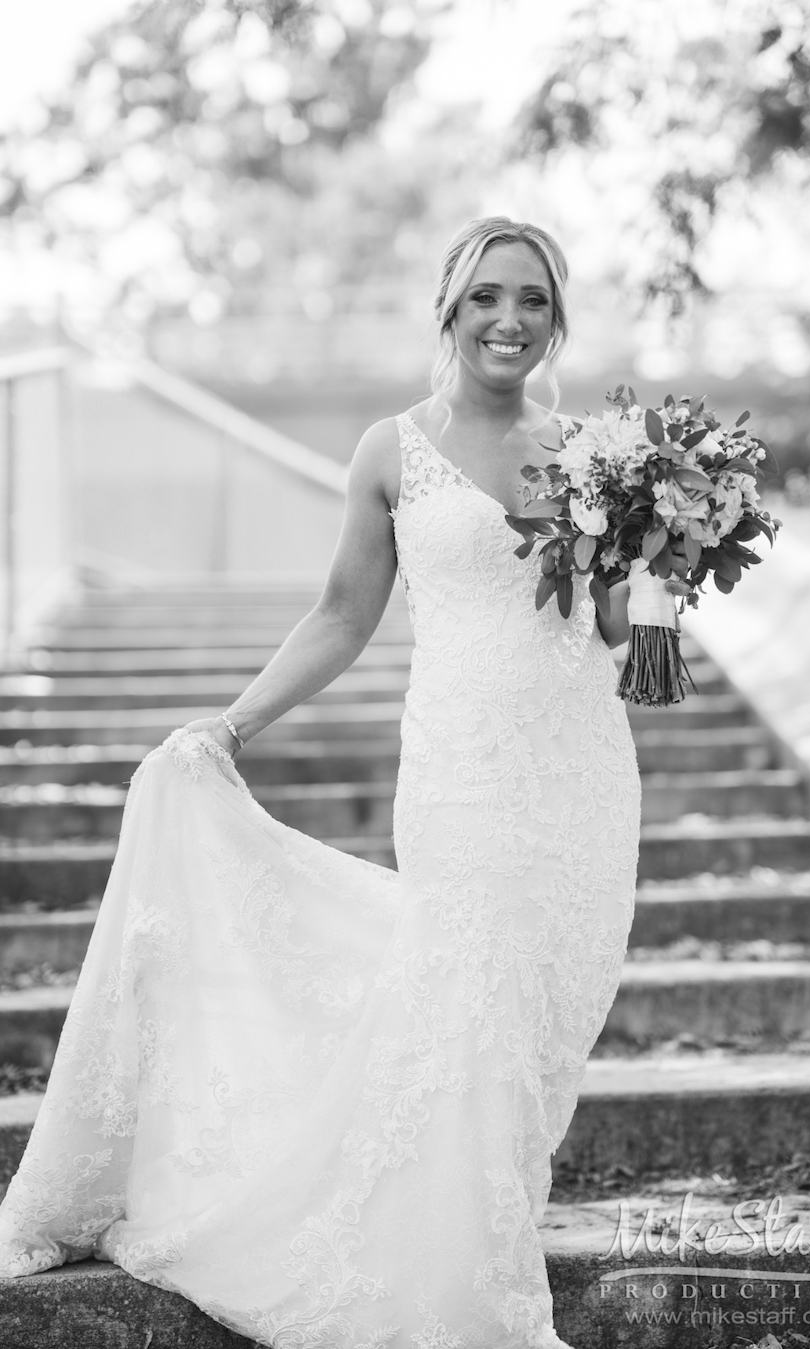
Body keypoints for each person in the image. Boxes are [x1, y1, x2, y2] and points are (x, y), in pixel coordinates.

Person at [0, 217, 676, 1348]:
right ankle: (462, 1286)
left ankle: (480, 1221)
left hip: (585, 772)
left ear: (558, 320)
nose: (510, 320)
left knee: (546, 1017)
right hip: (463, 771)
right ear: (451, 312)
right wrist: (231, 722)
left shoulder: (598, 452)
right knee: (476, 1000)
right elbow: (343, 615)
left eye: (535, 302)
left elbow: (612, 625)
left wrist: (664, 557)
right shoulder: (390, 450)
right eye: (487, 299)